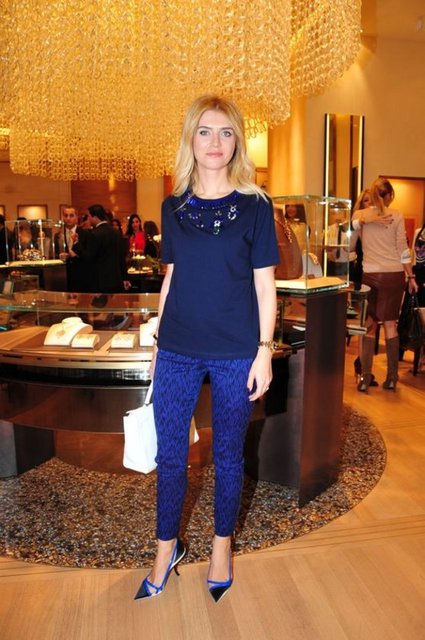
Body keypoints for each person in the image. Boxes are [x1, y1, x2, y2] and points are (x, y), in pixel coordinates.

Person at [134, 95, 279, 603]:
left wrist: (264, 350)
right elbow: (171, 278)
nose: (215, 142)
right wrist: (158, 341)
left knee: (229, 456)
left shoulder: (257, 206)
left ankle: (221, 547)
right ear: (190, 140)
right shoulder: (172, 206)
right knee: (170, 456)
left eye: (225, 132)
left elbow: (265, 287)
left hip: (236, 350)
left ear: (237, 141)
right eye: (204, 131)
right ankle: (165, 549)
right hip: (177, 348)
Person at [352, 178, 418, 391]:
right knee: (390, 325)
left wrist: (362, 223)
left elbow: (350, 245)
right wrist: (411, 276)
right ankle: (391, 378)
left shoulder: (360, 215)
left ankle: (365, 378)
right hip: (394, 276)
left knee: (369, 325)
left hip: (370, 276)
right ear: (389, 195)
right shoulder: (396, 215)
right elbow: (402, 248)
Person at [73, 204, 127, 293]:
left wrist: (76, 244)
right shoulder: (116, 233)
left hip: (100, 282)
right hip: (116, 281)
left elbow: (89, 257)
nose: (88, 219)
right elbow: (121, 257)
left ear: (95, 217)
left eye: (89, 216)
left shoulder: (94, 234)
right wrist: (125, 278)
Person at [54, 206, 91, 292]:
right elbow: (53, 254)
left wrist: (77, 255)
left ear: (76, 217)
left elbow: (89, 255)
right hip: (62, 275)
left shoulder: (85, 234)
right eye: (66, 215)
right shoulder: (58, 235)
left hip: (81, 274)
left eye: (71, 215)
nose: (68, 218)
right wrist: (59, 255)